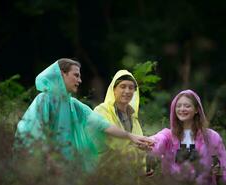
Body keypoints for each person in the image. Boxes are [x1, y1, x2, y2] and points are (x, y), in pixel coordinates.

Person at [14, 58, 153, 173]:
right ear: (62, 74)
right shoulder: (44, 99)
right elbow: (32, 130)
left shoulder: (74, 105)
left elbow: (102, 125)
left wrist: (131, 136)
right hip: (45, 165)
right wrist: (48, 157)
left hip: (66, 169)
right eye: (76, 75)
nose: (80, 80)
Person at [147, 89, 226, 185]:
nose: (182, 109)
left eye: (187, 106)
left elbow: (223, 165)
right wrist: (148, 142)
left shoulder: (211, 137)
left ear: (196, 109)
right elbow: (156, 142)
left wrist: (219, 172)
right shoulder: (168, 136)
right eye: (179, 106)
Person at [93, 70, 151, 175]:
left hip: (131, 179)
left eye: (131, 87)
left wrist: (143, 169)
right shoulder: (101, 110)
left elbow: (139, 149)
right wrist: (133, 142)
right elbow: (111, 138)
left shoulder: (134, 118)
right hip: (107, 174)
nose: (127, 91)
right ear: (114, 89)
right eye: (123, 86)